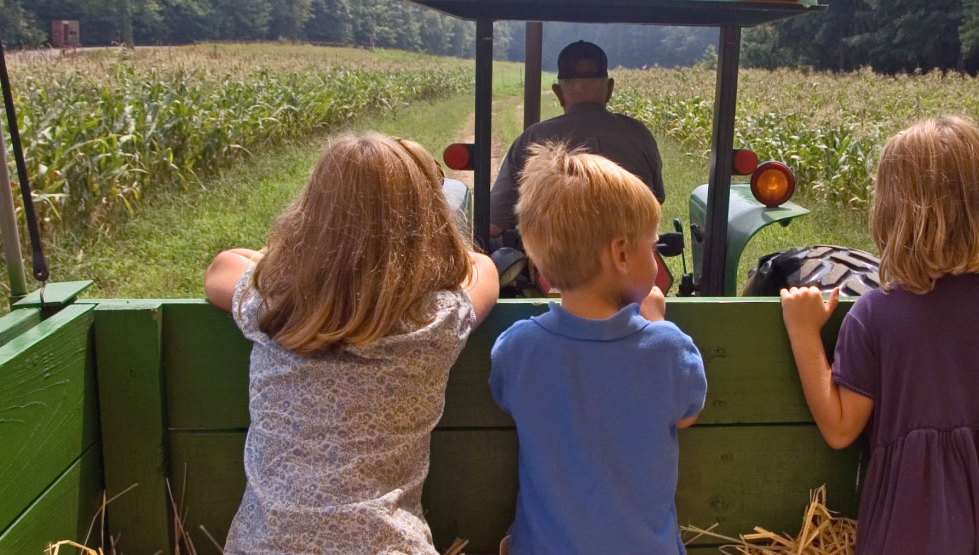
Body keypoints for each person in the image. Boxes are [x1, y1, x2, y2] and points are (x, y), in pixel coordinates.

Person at [777, 116, 979, 554]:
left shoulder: (875, 314)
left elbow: (841, 429)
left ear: (890, 213)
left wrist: (803, 332)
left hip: (912, 531)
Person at [202, 134, 499, 554]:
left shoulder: (276, 305)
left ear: (311, 215)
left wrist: (303, 254)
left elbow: (222, 267)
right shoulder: (437, 320)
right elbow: (482, 267)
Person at [489, 143, 705, 554]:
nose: (656, 260)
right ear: (622, 254)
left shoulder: (516, 349)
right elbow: (686, 416)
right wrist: (655, 322)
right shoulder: (669, 348)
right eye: (653, 247)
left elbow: (509, 398)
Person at [489, 40, 665, 239]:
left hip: (555, 263)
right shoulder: (639, 134)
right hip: (631, 259)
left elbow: (494, 224)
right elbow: (656, 199)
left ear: (558, 93)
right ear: (609, 89)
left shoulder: (532, 139)